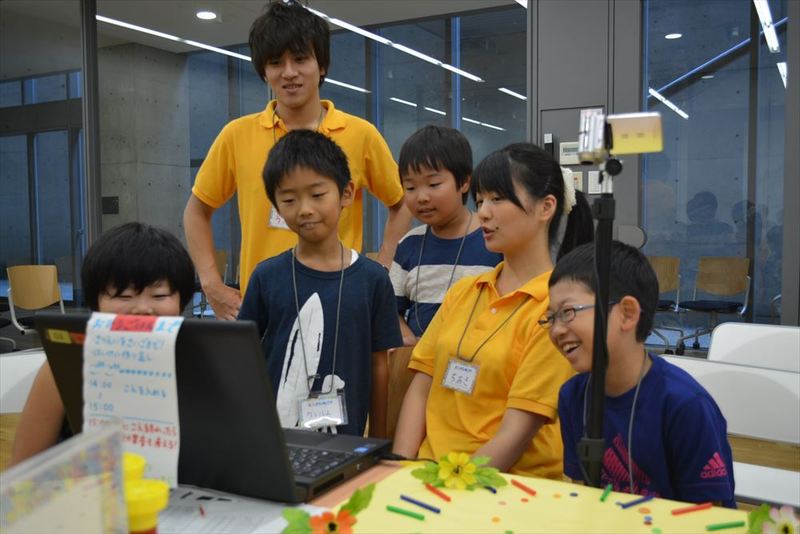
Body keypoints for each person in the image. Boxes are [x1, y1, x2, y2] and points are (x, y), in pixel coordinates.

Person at [183, 0, 411, 320]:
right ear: (264, 71)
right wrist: (211, 284)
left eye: (301, 59)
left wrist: (383, 265)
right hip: (263, 307)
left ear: (322, 65)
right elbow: (196, 211)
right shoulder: (237, 135)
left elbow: (401, 202)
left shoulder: (360, 134)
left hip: (341, 303)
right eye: (276, 62)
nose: (289, 73)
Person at [392, 143, 593, 477]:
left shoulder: (558, 310)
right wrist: (398, 467)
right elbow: (421, 387)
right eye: (481, 200)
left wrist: (450, 485)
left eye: (498, 199)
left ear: (545, 207)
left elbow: (516, 434)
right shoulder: (464, 292)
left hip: (504, 486)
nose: (484, 212)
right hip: (430, 476)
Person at [238, 130, 402, 438]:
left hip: (348, 442)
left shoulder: (373, 280)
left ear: (346, 193)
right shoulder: (266, 276)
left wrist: (378, 441)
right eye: (289, 199)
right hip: (276, 439)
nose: (304, 209)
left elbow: (379, 365)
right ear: (276, 205)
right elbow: (244, 360)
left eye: (317, 195)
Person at [547, 240, 736, 506]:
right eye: (550, 317)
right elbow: (583, 493)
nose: (556, 329)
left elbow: (712, 515)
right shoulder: (573, 396)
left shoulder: (685, 406)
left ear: (627, 314)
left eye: (567, 312)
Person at [10, 222, 196, 466]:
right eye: (123, 296)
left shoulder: (203, 363)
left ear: (182, 301)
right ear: (95, 303)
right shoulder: (64, 365)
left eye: (159, 295)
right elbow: (22, 467)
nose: (142, 309)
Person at [389, 125, 502, 346]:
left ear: (464, 182)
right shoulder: (408, 244)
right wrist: (407, 339)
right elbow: (391, 310)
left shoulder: (493, 239)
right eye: (410, 187)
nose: (421, 197)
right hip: (421, 359)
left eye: (433, 184)